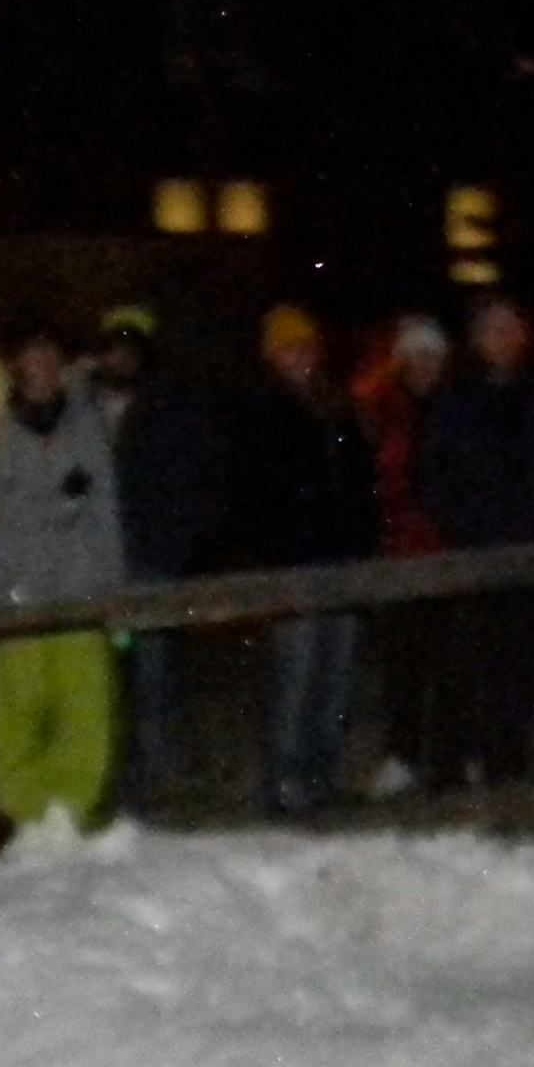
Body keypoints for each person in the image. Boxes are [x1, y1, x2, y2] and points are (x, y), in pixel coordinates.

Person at [0, 322, 125, 829]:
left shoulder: (87, 426)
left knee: (84, 706)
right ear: (16, 365)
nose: (43, 366)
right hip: (15, 594)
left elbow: (103, 508)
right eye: (32, 355)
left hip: (79, 589)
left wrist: (111, 585)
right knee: (16, 710)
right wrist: (54, 501)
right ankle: (24, 813)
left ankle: (74, 812)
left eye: (51, 355)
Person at [234, 306, 380, 814]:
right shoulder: (262, 411)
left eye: (306, 346)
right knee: (296, 674)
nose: (300, 356)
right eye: (289, 348)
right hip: (294, 562)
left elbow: (360, 481)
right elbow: (254, 494)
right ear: (273, 356)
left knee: (336, 675)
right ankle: (285, 779)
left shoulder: (338, 407)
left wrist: (362, 542)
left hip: (341, 559)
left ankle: (323, 774)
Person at [418, 298, 534, 784]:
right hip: (472, 547)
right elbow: (435, 475)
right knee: (462, 662)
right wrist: (467, 526)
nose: (505, 339)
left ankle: (506, 758)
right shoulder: (456, 396)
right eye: (494, 330)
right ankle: (450, 764)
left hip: (523, 547)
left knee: (516, 661)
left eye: (512, 329)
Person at [87, 305, 226, 812]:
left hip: (150, 557)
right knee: (100, 673)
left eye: (130, 348)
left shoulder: (170, 405)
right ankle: (104, 770)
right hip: (96, 561)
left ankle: (154, 770)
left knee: (152, 670)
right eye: (113, 348)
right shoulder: (86, 406)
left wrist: (177, 543)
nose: (121, 358)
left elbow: (195, 478)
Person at [355, 314, 453, 798]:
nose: (424, 366)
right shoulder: (383, 414)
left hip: (449, 550)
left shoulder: (457, 408)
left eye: (432, 356)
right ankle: (404, 754)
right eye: (415, 356)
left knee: (451, 658)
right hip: (399, 551)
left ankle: (450, 755)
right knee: (403, 663)